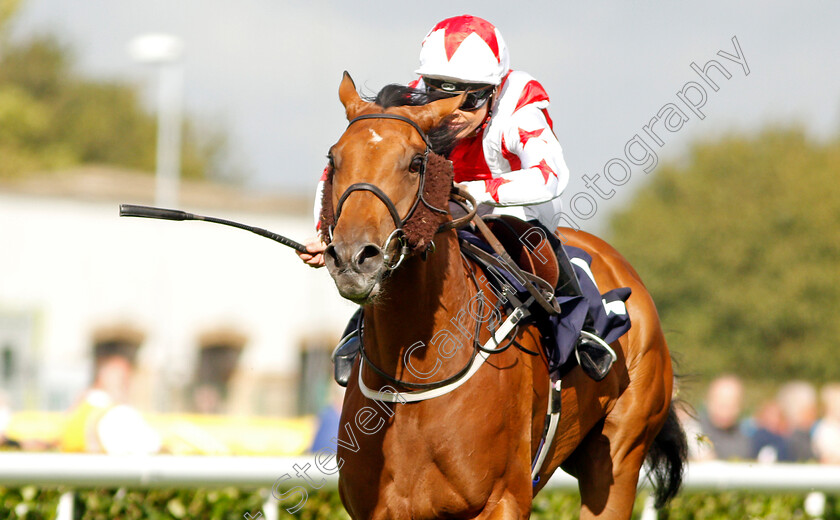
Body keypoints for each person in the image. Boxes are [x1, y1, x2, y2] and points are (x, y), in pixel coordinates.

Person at [298, 15, 616, 381]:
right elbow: (347, 169)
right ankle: (360, 329)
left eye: (470, 99)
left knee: (538, 249)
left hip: (516, 213)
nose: (454, 113)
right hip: (440, 211)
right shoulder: (413, 101)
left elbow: (551, 175)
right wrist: (326, 236)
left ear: (495, 90)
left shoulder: (522, 101)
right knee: (394, 256)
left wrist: (466, 193)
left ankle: (586, 326)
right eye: (439, 93)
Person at [697, 375, 751, 460]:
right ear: (708, 401)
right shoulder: (691, 430)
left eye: (730, 405)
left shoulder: (744, 438)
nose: (725, 411)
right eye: (721, 404)